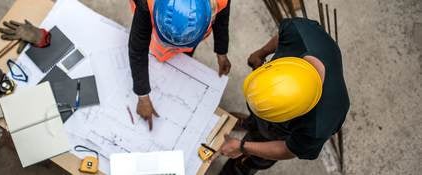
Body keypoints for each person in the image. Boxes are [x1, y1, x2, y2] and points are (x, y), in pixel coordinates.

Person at [217, 17, 350, 175]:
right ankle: (251, 122)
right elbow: (283, 36)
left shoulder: (319, 124)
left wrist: (242, 147)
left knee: (256, 158)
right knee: (256, 119)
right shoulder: (299, 33)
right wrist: (262, 53)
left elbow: (288, 149)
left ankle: (242, 167)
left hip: (277, 135)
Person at [129, 0, 232, 130]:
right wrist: (142, 95)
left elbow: (222, 19)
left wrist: (221, 52)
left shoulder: (220, 2)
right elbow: (138, 49)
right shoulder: (145, 3)